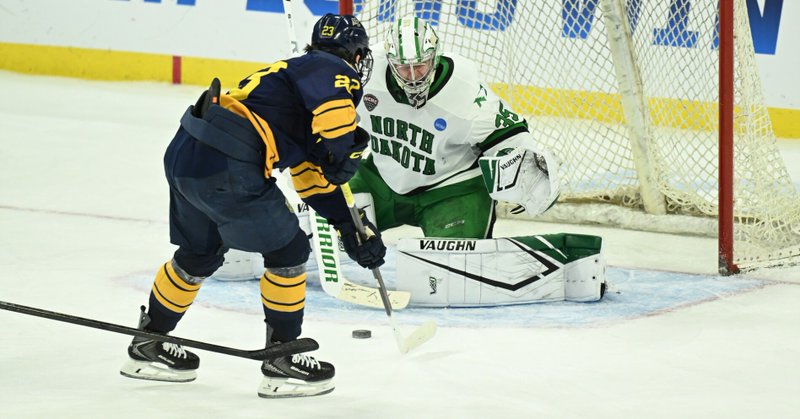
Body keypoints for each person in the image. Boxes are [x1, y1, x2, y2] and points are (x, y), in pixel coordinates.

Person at [119, 13, 386, 399]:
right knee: (289, 250)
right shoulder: (333, 69)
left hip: (188, 150)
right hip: (230, 158)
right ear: (357, 56)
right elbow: (335, 122)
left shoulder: (291, 82)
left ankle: (148, 344)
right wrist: (346, 148)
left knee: (199, 252)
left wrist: (349, 226)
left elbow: (311, 180)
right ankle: (283, 359)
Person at [348, 15, 608, 306]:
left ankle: (558, 268)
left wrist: (524, 169)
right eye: (403, 68)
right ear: (390, 60)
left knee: (449, 276)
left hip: (451, 191)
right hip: (384, 177)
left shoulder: (466, 91)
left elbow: (510, 135)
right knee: (329, 221)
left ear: (435, 57)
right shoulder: (364, 75)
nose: (412, 76)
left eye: (420, 65)